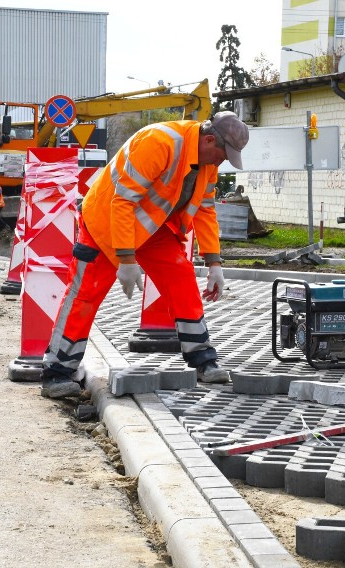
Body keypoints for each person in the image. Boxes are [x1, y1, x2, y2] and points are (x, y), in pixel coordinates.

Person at [39, 111, 250, 399]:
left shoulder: (206, 160)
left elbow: (205, 209)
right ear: (210, 139)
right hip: (107, 223)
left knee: (181, 278)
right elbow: (123, 201)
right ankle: (57, 371)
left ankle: (202, 359)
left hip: (154, 226)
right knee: (85, 294)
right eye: (222, 155)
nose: (221, 162)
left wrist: (214, 262)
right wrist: (126, 260)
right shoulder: (159, 142)